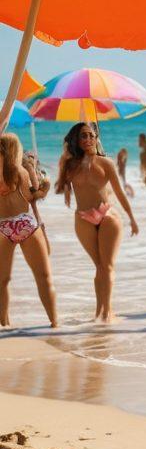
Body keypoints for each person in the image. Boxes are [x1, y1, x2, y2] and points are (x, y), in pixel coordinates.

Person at [56, 123, 138, 323]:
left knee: (107, 266)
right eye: (83, 136)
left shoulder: (106, 163)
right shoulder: (71, 165)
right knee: (99, 267)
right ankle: (99, 311)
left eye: (91, 135)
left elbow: (119, 192)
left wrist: (132, 218)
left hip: (107, 214)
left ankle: (107, 312)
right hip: (83, 217)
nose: (87, 139)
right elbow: (60, 187)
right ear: (76, 140)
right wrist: (63, 159)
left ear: (96, 138)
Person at [0, 133, 56, 328]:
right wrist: (45, 184)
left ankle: (5, 325)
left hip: (2, 227)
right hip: (26, 223)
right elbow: (34, 195)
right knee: (44, 277)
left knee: (2, 281)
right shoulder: (22, 171)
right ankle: (54, 322)